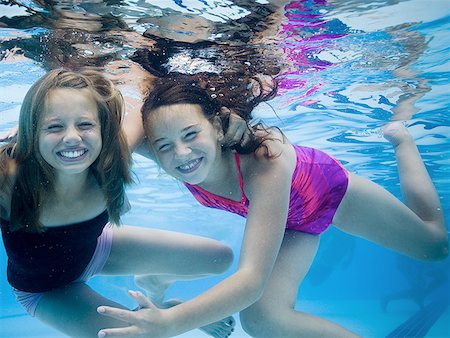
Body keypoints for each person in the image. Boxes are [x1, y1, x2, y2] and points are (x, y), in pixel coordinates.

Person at [97, 76, 448, 337]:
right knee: (261, 319)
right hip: (295, 226)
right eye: (165, 146)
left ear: (218, 128)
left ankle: (400, 136)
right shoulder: (170, 152)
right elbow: (114, 134)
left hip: (334, 195)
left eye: (191, 135)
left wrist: (172, 323)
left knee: (435, 247)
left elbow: (251, 279)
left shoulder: (265, 160)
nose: (181, 154)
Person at [0, 69, 238, 338]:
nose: (72, 138)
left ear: (103, 128)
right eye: (54, 126)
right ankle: (163, 317)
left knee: (220, 258)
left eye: (85, 125)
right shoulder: (10, 180)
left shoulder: (112, 159)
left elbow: (143, 99)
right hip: (45, 289)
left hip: (96, 250)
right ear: (33, 131)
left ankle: (157, 291)